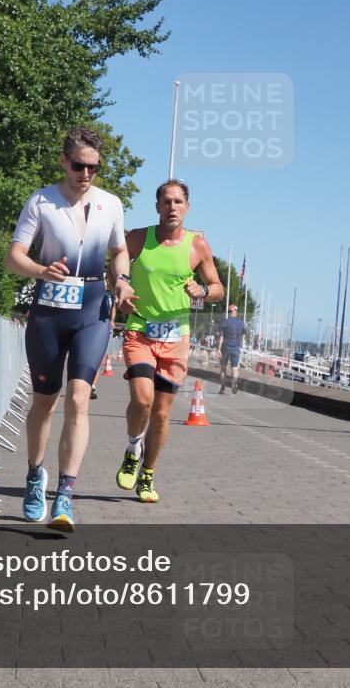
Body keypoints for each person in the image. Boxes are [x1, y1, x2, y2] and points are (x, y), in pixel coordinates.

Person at [4, 126, 134, 531]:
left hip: (92, 309)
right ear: (64, 161)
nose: (86, 174)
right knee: (45, 402)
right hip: (48, 312)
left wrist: (123, 280)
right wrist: (42, 270)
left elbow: (118, 251)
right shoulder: (41, 201)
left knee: (80, 397)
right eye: (79, 165)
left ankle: (65, 495)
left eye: (94, 167)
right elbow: (13, 258)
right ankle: (34, 475)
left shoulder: (110, 205)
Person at [115, 179, 223, 502]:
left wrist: (202, 291)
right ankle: (133, 448)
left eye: (178, 202)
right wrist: (120, 287)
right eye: (166, 201)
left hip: (176, 337)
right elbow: (116, 264)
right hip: (140, 330)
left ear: (187, 208)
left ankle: (147, 474)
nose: (172, 207)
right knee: (143, 399)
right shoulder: (138, 238)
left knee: (161, 413)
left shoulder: (197, 246)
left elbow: (217, 287)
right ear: (157, 206)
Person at [218, 304, 246, 394]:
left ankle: (222, 387)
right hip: (236, 347)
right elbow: (243, 335)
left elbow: (221, 337)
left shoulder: (224, 322)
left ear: (230, 312)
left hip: (225, 347)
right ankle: (234, 381)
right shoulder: (241, 323)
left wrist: (218, 349)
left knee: (223, 368)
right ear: (236, 312)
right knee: (235, 367)